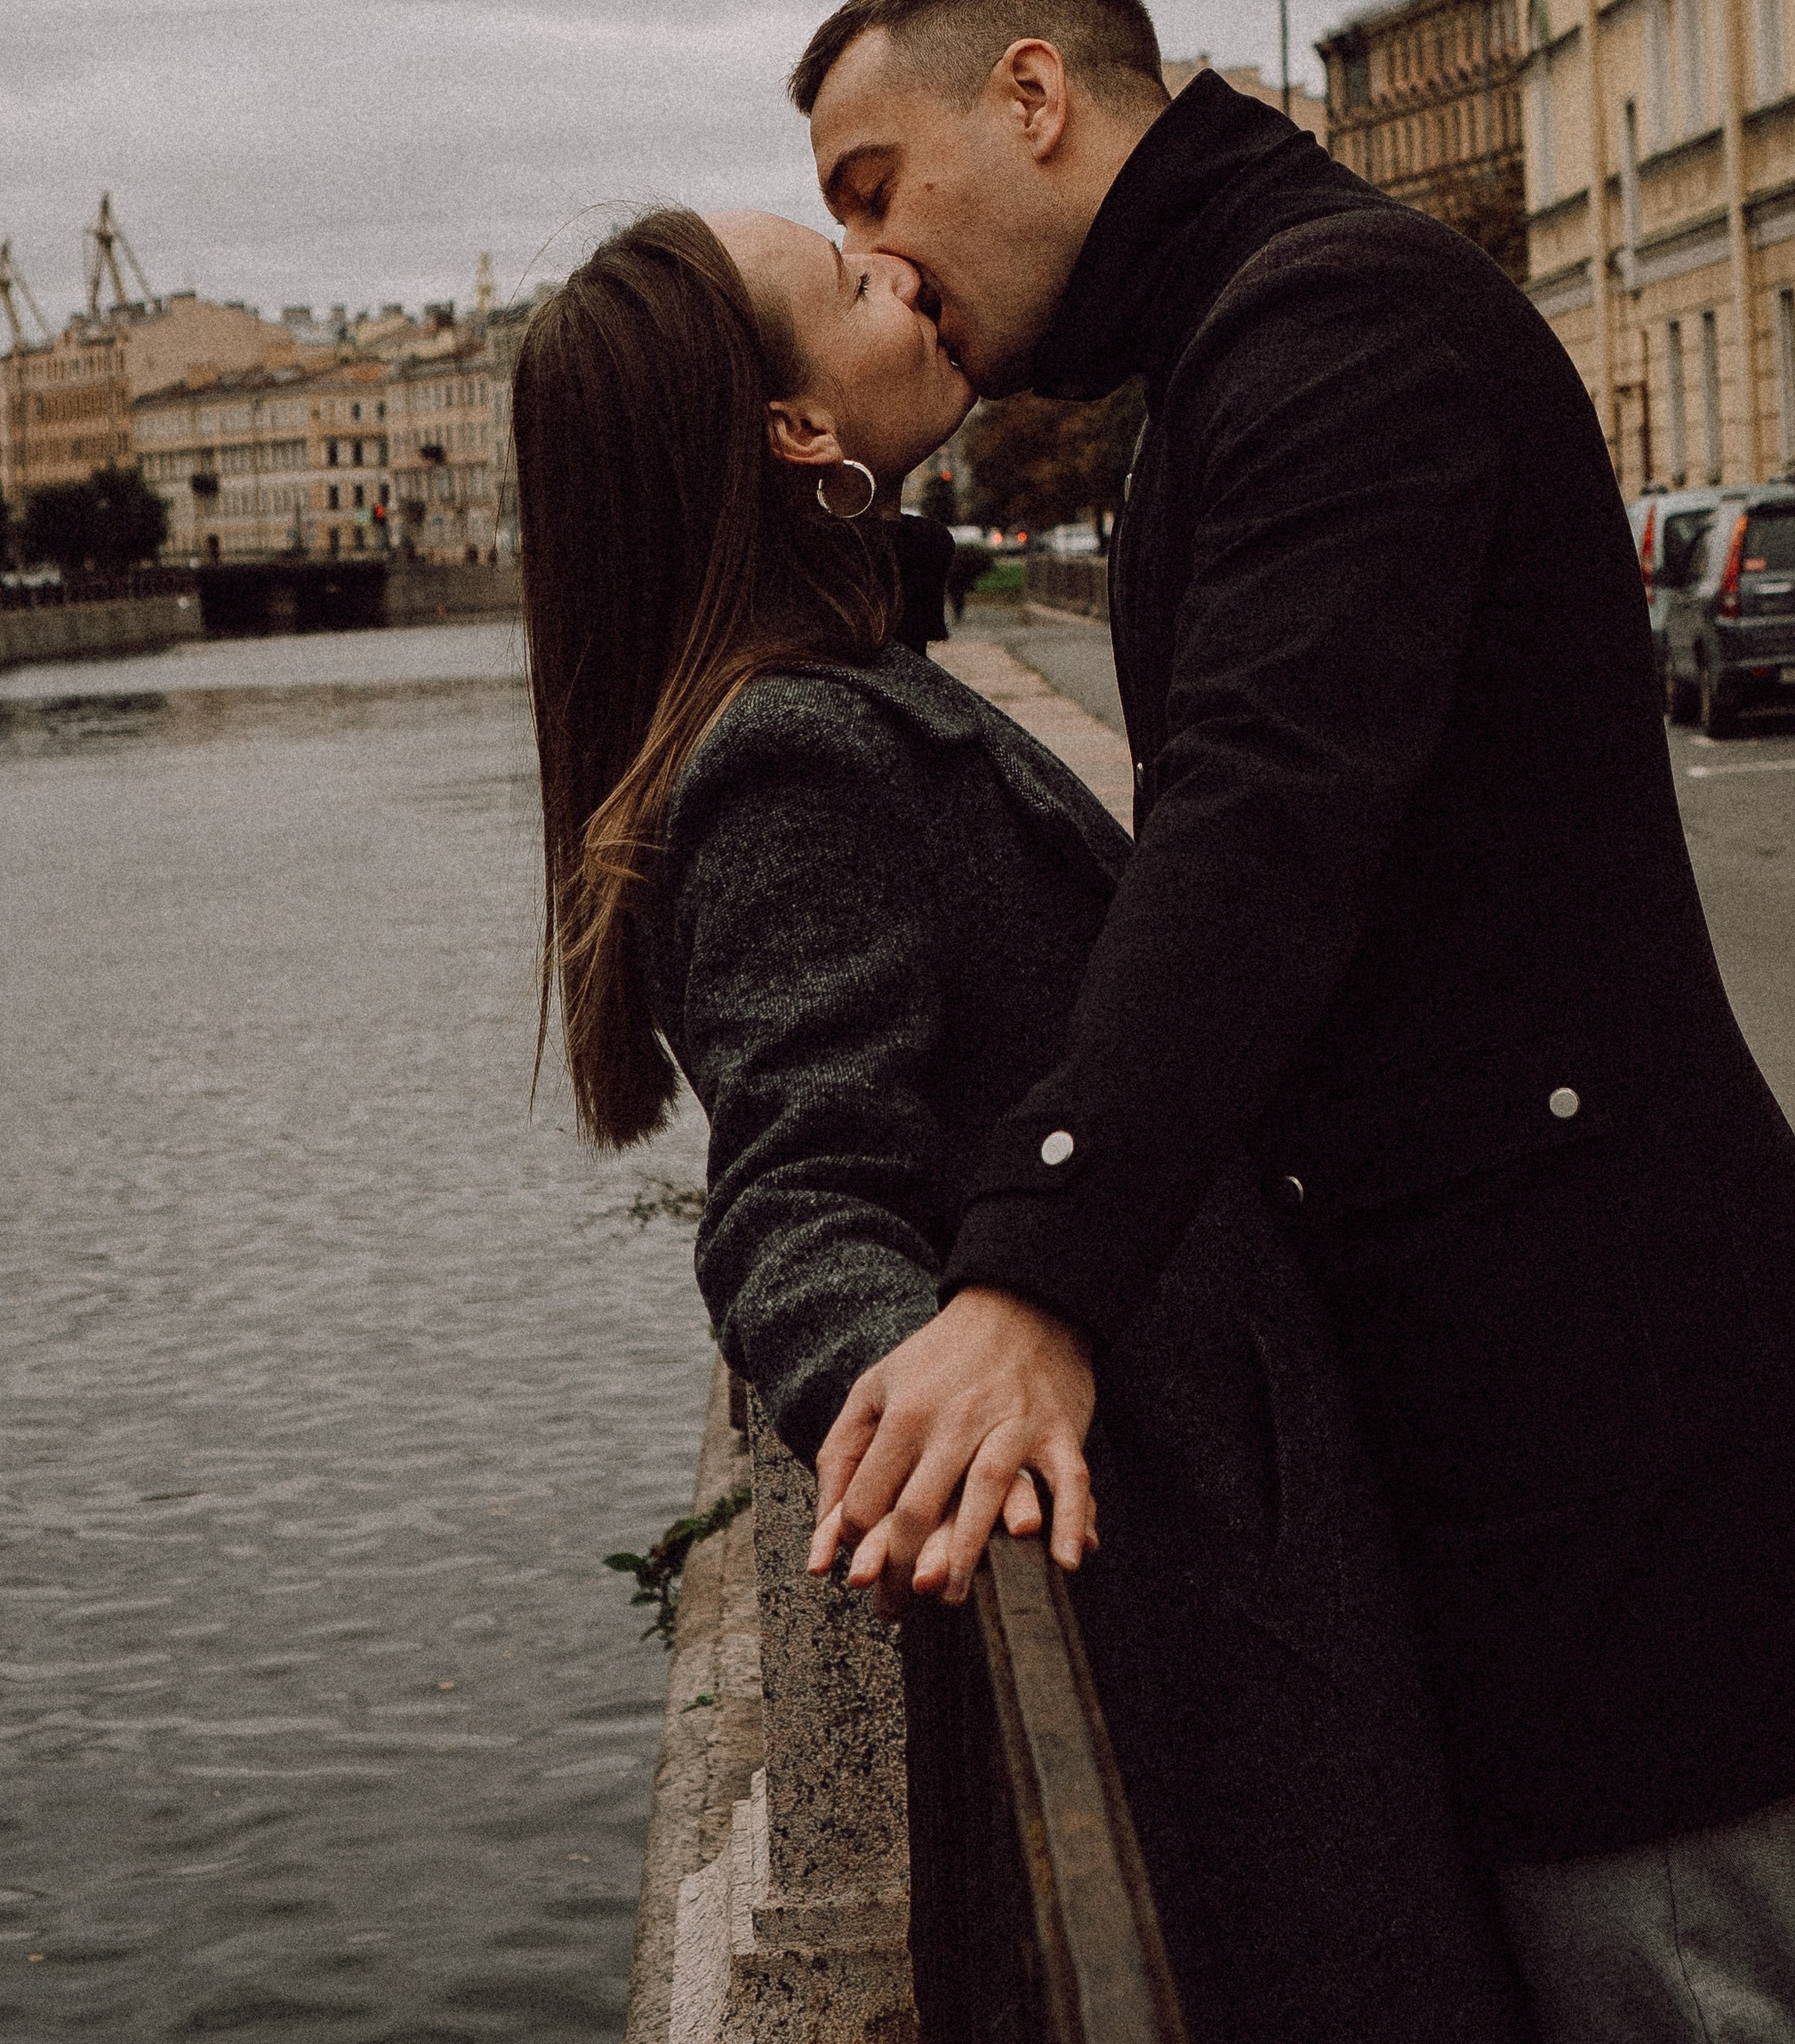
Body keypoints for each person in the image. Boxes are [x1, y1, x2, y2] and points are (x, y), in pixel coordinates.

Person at [788, 0, 1795, 2044]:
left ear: (1030, 97)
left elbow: (1262, 822)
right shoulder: (1247, 326)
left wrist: (1030, 1278)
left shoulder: (1331, 319)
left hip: (1612, 1417)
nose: (880, 271)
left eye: (870, 192)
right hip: (1521, 1413)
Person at [509, 204, 1524, 2044]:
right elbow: (794, 1190)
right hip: (1189, 1571)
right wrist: (908, 1382)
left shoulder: (848, 687)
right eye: (850, 280)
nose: (899, 270)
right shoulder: (786, 755)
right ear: (791, 434)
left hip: (1219, 1518)